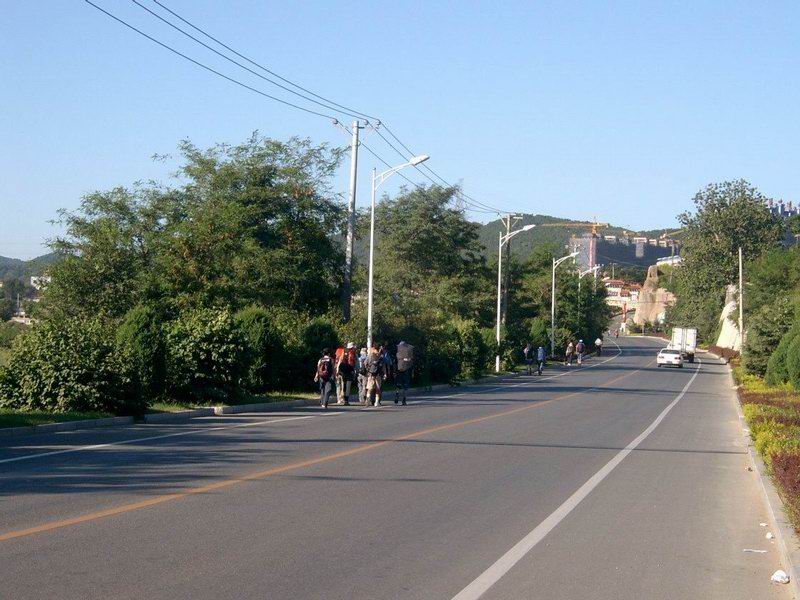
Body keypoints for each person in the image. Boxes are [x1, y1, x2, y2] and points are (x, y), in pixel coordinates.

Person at [395, 341, 414, 405]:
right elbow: (410, 362)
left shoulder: (398, 354)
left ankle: (397, 394)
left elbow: (396, 362)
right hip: (405, 371)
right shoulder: (407, 355)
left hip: (399, 370)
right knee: (404, 385)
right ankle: (403, 399)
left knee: (398, 384)